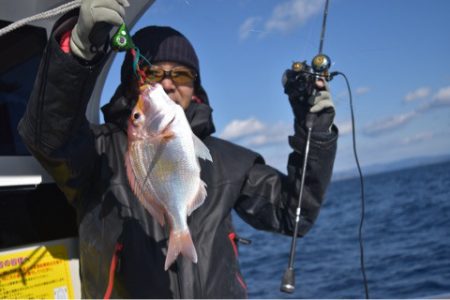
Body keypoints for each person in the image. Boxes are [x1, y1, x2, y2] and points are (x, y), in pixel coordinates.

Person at [18, 0, 338, 298]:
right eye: (154, 73)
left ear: (195, 87)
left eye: (181, 74)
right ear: (133, 81)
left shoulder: (228, 160)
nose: (169, 83)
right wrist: (77, 52)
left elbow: (293, 214)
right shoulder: (99, 152)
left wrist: (316, 131)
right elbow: (48, 137)